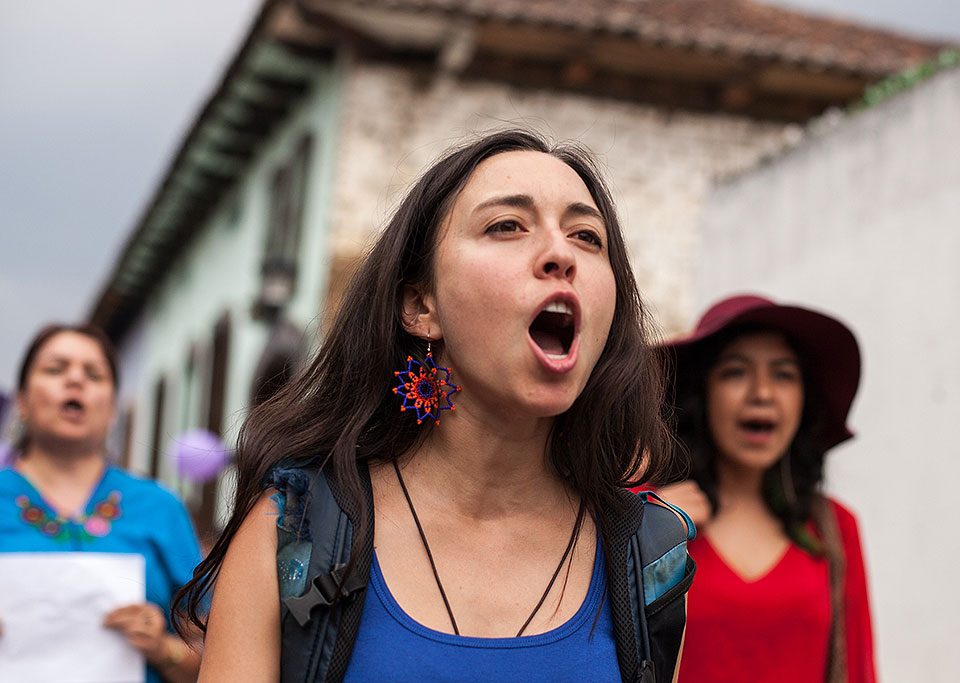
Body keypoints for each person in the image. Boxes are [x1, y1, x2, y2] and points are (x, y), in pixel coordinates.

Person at [176, 129, 692, 682]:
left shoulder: (648, 559)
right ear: (421, 306)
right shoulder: (294, 532)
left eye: (587, 236)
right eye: (506, 226)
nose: (561, 254)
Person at [656, 294, 876, 682]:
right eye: (735, 372)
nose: (762, 393)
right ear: (701, 394)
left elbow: (858, 671)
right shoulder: (650, 515)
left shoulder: (836, 528)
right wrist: (649, 532)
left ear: (804, 401)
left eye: (783, 374)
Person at [0, 323, 202, 682]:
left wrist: (163, 649)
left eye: (93, 374)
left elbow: (220, 658)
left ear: (112, 409)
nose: (75, 380)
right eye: (55, 369)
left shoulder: (160, 507)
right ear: (22, 402)